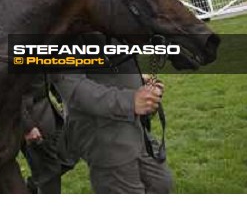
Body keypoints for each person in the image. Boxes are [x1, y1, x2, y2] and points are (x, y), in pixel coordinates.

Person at [51, 36, 173, 194]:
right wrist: (131, 101)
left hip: (135, 129)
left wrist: (144, 89)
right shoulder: (65, 31)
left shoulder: (108, 25)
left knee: (160, 183)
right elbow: (73, 90)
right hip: (103, 136)